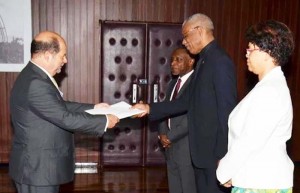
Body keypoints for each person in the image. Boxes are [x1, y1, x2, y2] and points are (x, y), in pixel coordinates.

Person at [133, 13, 237, 193]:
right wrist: (149, 108)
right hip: (201, 154)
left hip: (213, 155)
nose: (184, 41)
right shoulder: (204, 61)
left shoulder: (219, 61)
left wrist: (224, 154)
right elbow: (186, 102)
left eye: (186, 35)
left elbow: (227, 112)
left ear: (200, 30)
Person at [9, 31, 119, 193]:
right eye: (63, 56)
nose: (65, 61)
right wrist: (104, 121)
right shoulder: (36, 83)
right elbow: (64, 117)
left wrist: (94, 108)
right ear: (47, 55)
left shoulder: (33, 76)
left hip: (37, 168)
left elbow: (57, 106)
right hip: (38, 170)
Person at [216, 20, 295, 193]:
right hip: (257, 179)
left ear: (267, 53)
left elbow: (249, 141)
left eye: (251, 49)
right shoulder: (268, 86)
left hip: (261, 182)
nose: (246, 54)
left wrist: (224, 171)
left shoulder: (270, 91)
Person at [158, 47, 196, 193]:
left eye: (178, 60)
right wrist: (162, 133)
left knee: (187, 189)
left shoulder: (195, 84)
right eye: (172, 60)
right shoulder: (173, 84)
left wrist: (170, 136)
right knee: (174, 188)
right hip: (169, 147)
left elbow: (191, 117)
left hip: (185, 148)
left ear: (191, 61)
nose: (173, 63)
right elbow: (165, 109)